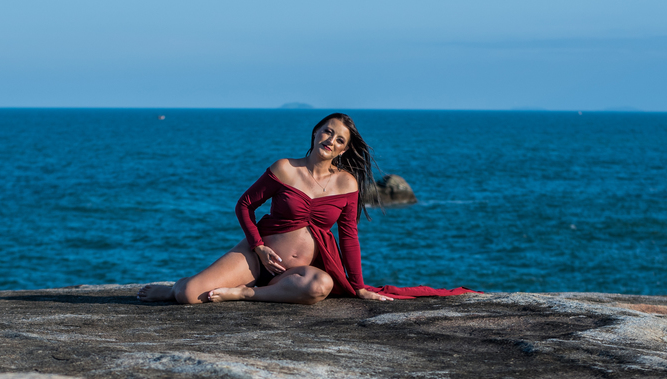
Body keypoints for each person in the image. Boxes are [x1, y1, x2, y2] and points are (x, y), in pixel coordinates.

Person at [136, 113, 475, 304]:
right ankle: (174, 287)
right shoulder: (285, 168)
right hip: (258, 257)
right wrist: (258, 246)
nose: (331, 140)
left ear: (342, 150)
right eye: (328, 132)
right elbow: (245, 205)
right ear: (315, 133)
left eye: (339, 140)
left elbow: (349, 237)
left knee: (319, 288)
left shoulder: (347, 185)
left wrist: (357, 286)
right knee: (189, 296)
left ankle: (246, 295)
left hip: (297, 272)